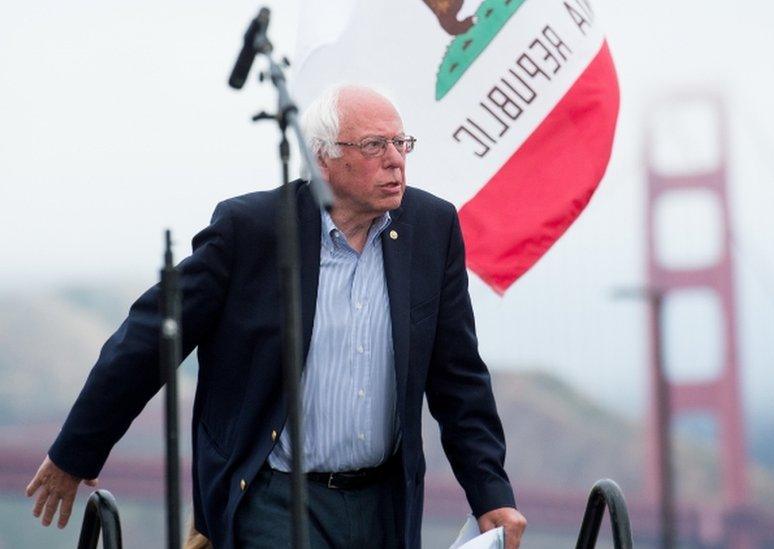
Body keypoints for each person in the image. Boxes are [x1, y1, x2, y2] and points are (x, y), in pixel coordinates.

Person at [25, 84, 527, 548]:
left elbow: (458, 376)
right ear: (323, 159)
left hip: (383, 502)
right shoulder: (252, 230)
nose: (396, 161)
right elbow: (152, 336)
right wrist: (76, 452)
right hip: (273, 495)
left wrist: (491, 493)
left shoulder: (431, 228)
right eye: (375, 146)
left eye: (402, 143)